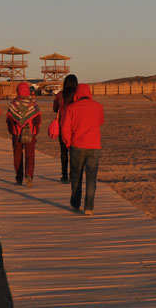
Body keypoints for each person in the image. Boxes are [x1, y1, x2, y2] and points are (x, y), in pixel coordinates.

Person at [61, 83, 104, 215]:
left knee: (76, 176)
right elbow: (100, 121)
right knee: (91, 177)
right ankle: (89, 207)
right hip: (94, 146)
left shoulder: (72, 108)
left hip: (77, 146)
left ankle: (75, 202)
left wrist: (68, 143)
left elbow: (65, 128)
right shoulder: (98, 107)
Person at [6, 83, 41, 187]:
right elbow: (38, 119)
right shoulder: (33, 104)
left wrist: (12, 130)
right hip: (31, 132)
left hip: (17, 133)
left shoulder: (13, 103)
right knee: (30, 155)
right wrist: (35, 131)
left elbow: (9, 119)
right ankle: (29, 176)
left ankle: (19, 178)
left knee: (17, 156)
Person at [53, 74, 78, 183]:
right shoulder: (77, 95)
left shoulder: (60, 95)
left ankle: (64, 176)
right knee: (74, 152)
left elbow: (54, 109)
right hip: (74, 127)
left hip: (62, 126)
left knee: (63, 152)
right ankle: (72, 175)